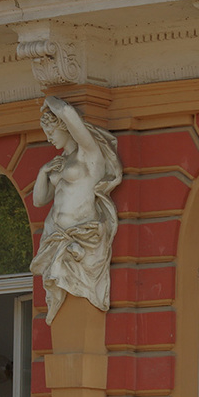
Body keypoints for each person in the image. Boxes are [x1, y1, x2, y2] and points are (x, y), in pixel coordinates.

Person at [29, 96, 122, 324]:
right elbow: (39, 201)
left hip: (82, 238)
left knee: (78, 298)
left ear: (65, 128)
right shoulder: (60, 163)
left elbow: (69, 114)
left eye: (51, 131)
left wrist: (50, 99)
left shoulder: (89, 156)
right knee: (58, 294)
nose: (49, 138)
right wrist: (43, 172)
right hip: (57, 238)